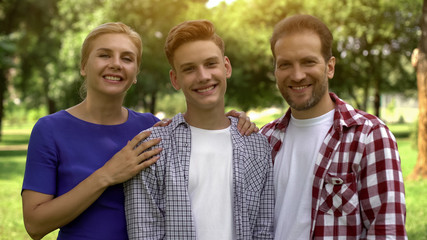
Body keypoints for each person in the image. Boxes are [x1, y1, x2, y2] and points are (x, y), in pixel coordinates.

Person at [21, 22, 256, 240]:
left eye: (127, 58)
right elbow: (35, 225)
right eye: (104, 55)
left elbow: (200, 130)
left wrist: (234, 122)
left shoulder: (150, 128)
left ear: (135, 74)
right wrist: (106, 175)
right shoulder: (50, 130)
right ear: (84, 66)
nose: (116, 64)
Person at [124, 19, 274, 239]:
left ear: (226, 67)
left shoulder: (256, 145)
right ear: (175, 79)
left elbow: (264, 230)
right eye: (189, 69)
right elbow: (144, 233)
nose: (203, 76)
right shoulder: (152, 148)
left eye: (211, 64)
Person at [260, 14, 407, 239]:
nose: (297, 75)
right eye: (285, 64)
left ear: (330, 67)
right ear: (275, 71)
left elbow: (387, 232)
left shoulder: (369, 137)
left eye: (308, 62)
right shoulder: (264, 139)